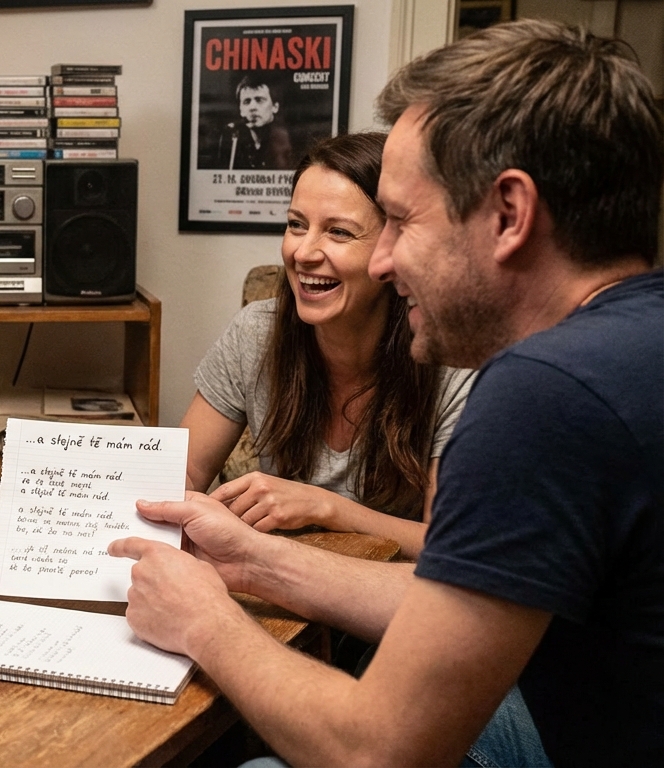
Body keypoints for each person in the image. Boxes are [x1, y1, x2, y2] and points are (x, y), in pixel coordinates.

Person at [111, 19, 662, 767]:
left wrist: (205, 621)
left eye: (398, 222)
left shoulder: (545, 394)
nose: (387, 260)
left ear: (509, 213)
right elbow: (464, 601)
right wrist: (251, 563)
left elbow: (379, 752)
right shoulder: (633, 344)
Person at [186, 131, 473, 559]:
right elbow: (183, 476)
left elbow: (449, 547)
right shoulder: (255, 333)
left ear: (394, 249)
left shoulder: (453, 361)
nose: (303, 252)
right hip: (276, 592)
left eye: (338, 232)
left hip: (386, 609)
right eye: (296, 224)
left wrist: (327, 508)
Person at [216, 75, 295, 170]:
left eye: (259, 100)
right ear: (241, 110)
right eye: (246, 102)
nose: (252, 107)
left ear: (275, 107)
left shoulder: (289, 139)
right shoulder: (232, 137)